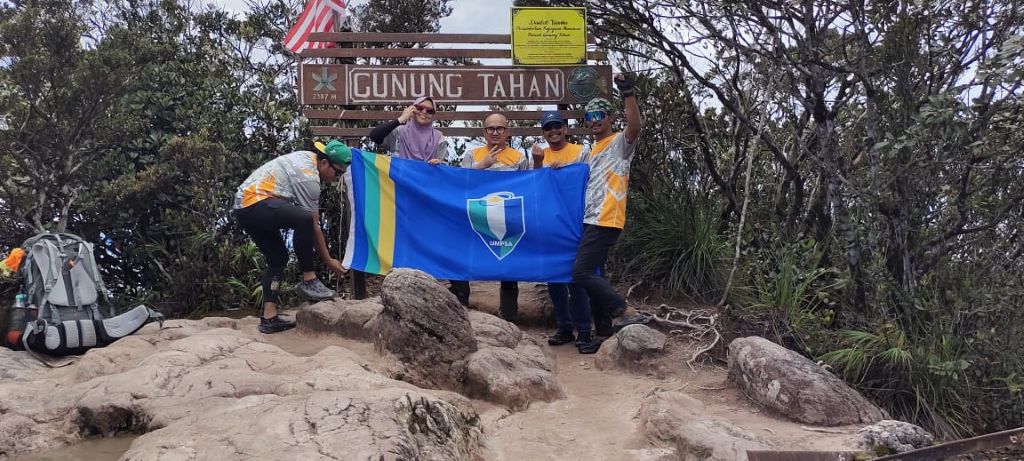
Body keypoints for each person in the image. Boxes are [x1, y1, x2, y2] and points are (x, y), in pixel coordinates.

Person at [233, 140, 350, 334]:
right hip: (255, 202)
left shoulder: (308, 159)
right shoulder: (309, 179)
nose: (337, 178)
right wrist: (328, 260)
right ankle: (309, 280)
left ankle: (269, 318)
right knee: (303, 219)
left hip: (244, 208)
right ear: (324, 163)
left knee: (278, 258)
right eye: (337, 172)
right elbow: (312, 225)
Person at [574, 74, 643, 354]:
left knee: (581, 273)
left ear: (610, 117)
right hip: (591, 218)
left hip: (606, 217)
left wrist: (627, 91)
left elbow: (635, 126)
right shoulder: (592, 151)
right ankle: (602, 331)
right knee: (593, 273)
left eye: (600, 114)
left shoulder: (618, 144)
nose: (594, 120)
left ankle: (624, 310)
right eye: (590, 115)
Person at [453, 112, 529, 321]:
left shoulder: (519, 157)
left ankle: (509, 318)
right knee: (465, 260)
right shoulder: (472, 154)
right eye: (490, 129)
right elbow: (460, 184)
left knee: (508, 268)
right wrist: (481, 166)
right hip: (477, 220)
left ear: (508, 132)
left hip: (508, 221)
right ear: (484, 132)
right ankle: (461, 311)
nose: (495, 133)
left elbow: (528, 188)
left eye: (500, 129)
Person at [530, 110, 594, 347]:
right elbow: (533, 188)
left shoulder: (581, 152)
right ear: (543, 132)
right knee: (554, 280)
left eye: (557, 126)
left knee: (576, 279)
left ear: (565, 128)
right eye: (548, 128)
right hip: (548, 226)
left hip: (574, 223)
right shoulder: (538, 155)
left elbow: (588, 181)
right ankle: (564, 327)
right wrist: (540, 165)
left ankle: (585, 329)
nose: (553, 132)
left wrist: (564, 173)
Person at [368, 96, 448, 164]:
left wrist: (438, 164)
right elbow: (374, 136)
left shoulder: (439, 139)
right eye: (419, 108)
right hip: (399, 180)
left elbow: (444, 170)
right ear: (412, 110)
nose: (424, 112)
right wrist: (401, 119)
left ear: (433, 115)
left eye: (430, 111)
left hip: (427, 181)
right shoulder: (399, 132)